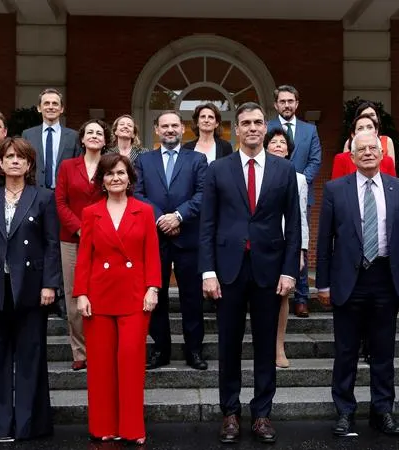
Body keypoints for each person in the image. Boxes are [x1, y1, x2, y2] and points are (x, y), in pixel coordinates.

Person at [200, 102, 301, 444]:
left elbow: (296, 226)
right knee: (228, 345)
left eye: (259, 122)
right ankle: (230, 413)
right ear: (236, 129)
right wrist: (207, 271)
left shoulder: (284, 171)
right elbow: (207, 224)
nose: (254, 128)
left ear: (265, 126)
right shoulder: (218, 169)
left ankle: (261, 414)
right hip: (227, 271)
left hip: (269, 271)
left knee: (264, 346)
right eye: (247, 123)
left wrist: (290, 271)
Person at [316, 131, 399, 438]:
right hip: (349, 279)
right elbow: (325, 241)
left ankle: (382, 411)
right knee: (346, 351)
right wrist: (322, 284)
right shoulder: (335, 189)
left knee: (384, 351)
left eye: (374, 148)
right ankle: (345, 412)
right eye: (363, 149)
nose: (369, 153)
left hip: (386, 278)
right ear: (353, 155)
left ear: (383, 154)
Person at [0, 137, 60, 440]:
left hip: (31, 288)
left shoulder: (43, 197)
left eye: (21, 157)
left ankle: (29, 424)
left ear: (30, 164)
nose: (15, 161)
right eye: (9, 157)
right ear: (0, 164)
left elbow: (52, 245)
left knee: (31, 356)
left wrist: (50, 284)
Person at [73, 153, 161, 445]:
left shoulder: (144, 211)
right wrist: (81, 293)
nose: (115, 178)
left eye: (121, 173)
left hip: (135, 295)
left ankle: (133, 427)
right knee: (100, 365)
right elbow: (84, 255)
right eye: (109, 174)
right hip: (98, 296)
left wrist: (153, 288)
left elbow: (151, 252)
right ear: (102, 180)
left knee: (131, 361)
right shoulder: (91, 213)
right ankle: (103, 425)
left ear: (130, 178)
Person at [135, 110, 209, 371]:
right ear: (156, 129)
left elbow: (203, 194)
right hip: (155, 239)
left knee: (191, 298)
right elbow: (138, 193)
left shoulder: (198, 160)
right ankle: (160, 350)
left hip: (188, 238)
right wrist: (161, 219)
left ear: (183, 128)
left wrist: (178, 216)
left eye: (174, 125)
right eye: (164, 126)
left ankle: (194, 351)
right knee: (157, 296)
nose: (169, 130)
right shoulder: (144, 160)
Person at [54, 119, 109, 371]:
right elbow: (61, 201)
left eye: (99, 133)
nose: (94, 136)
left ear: (105, 140)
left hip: (104, 238)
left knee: (101, 293)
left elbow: (117, 198)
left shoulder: (110, 166)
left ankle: (100, 347)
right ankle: (79, 350)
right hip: (71, 239)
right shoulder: (67, 166)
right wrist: (79, 228)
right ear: (82, 139)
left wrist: (96, 230)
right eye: (90, 132)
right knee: (74, 293)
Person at [268, 85, 320, 318]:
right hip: (268, 196)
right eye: (282, 101)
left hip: (300, 194)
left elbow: (315, 161)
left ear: (297, 103)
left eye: (291, 101)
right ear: (276, 104)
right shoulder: (267, 128)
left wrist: (295, 181)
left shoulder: (310, 130)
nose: (287, 105)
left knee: (300, 243)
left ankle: (301, 297)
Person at [263, 128, 308, 369]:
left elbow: (301, 217)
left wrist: (300, 250)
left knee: (282, 296)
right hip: (257, 243)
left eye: (283, 143)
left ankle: (278, 347)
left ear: (289, 150)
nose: (279, 145)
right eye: (274, 142)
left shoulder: (298, 177)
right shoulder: (255, 170)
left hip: (285, 243)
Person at [22, 88, 80, 189]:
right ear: (39, 108)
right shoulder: (28, 135)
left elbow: (78, 165)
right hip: (34, 192)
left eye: (55, 103)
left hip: (64, 192)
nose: (51, 107)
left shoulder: (74, 136)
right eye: (46, 103)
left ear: (61, 109)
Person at [340, 100, 397, 176]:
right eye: (365, 115)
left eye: (372, 114)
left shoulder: (387, 141)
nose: (369, 117)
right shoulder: (349, 143)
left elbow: (391, 169)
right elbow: (345, 166)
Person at [332, 113, 395, 179]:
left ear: (376, 132)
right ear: (353, 134)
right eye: (360, 128)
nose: (365, 130)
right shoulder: (341, 159)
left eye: (369, 127)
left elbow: (392, 186)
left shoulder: (387, 161)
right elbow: (337, 187)